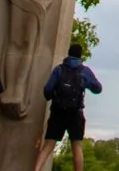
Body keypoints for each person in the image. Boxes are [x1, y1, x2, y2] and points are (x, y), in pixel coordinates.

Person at [33, 41, 103, 171]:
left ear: (68, 54)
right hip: (75, 112)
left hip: (58, 111)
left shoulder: (59, 69)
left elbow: (47, 90)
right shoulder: (84, 71)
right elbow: (98, 89)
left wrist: (52, 96)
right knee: (76, 146)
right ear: (80, 56)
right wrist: (86, 84)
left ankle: (36, 170)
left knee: (48, 145)